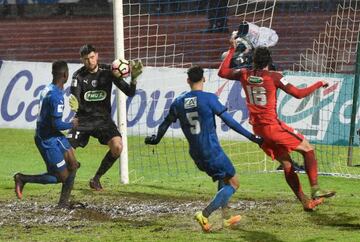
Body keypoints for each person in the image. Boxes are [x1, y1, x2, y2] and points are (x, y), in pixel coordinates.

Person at [218, 42, 336, 211]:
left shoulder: (244, 74)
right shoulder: (274, 77)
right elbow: (298, 94)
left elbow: (222, 72)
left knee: (287, 165)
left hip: (259, 130)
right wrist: (319, 83)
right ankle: (316, 189)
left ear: (253, 61)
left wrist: (231, 49)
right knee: (308, 149)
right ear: (269, 61)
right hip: (273, 127)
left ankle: (305, 202)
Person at [144, 66, 263, 232]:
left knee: (224, 177)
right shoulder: (209, 99)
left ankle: (226, 217)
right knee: (234, 183)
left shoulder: (178, 102)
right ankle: (205, 214)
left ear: (188, 81)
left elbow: (165, 123)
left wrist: (155, 140)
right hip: (212, 151)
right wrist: (252, 137)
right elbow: (230, 121)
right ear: (204, 79)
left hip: (195, 153)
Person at [68, 44, 143, 191]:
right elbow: (75, 96)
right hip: (83, 119)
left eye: (91, 57)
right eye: (86, 59)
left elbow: (129, 92)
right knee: (66, 149)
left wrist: (133, 79)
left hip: (103, 120)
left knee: (117, 146)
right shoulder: (78, 76)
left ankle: (96, 179)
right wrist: (75, 104)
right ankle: (69, 175)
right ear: (82, 60)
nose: (90, 61)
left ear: (97, 55)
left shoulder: (108, 71)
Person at [13, 60, 80, 208]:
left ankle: (63, 203)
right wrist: (72, 124)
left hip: (54, 135)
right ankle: (22, 178)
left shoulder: (47, 89)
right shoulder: (56, 96)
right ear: (65, 74)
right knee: (61, 176)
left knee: (73, 165)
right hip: (47, 140)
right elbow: (57, 124)